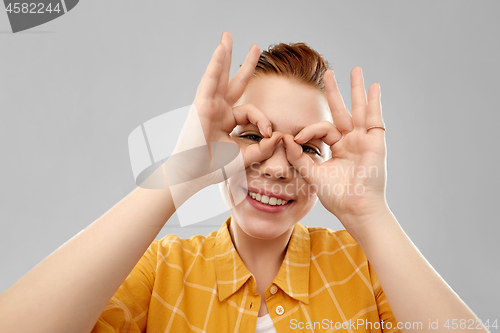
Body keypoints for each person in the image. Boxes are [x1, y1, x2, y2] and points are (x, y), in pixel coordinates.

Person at [0, 32, 487, 333]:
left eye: (308, 148)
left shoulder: (368, 271)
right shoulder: (161, 273)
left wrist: (371, 215)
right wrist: (177, 175)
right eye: (253, 136)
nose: (276, 167)